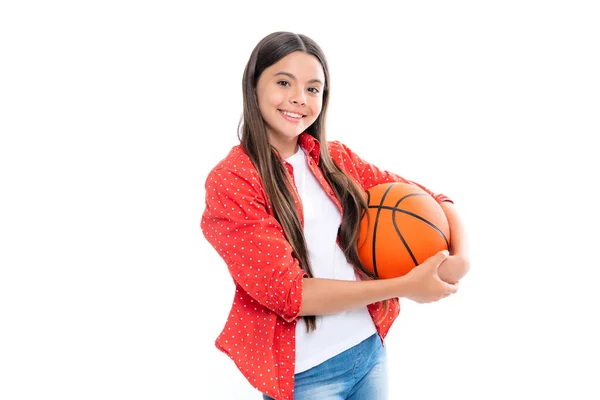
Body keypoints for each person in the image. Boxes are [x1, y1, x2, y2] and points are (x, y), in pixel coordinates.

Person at [200, 31, 470, 400]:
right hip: (307, 376)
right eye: (283, 82)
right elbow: (290, 294)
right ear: (253, 84)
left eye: (313, 89)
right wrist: (406, 287)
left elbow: (434, 199)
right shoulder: (232, 182)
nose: (299, 98)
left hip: (368, 351)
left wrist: (461, 258)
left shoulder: (333, 159)